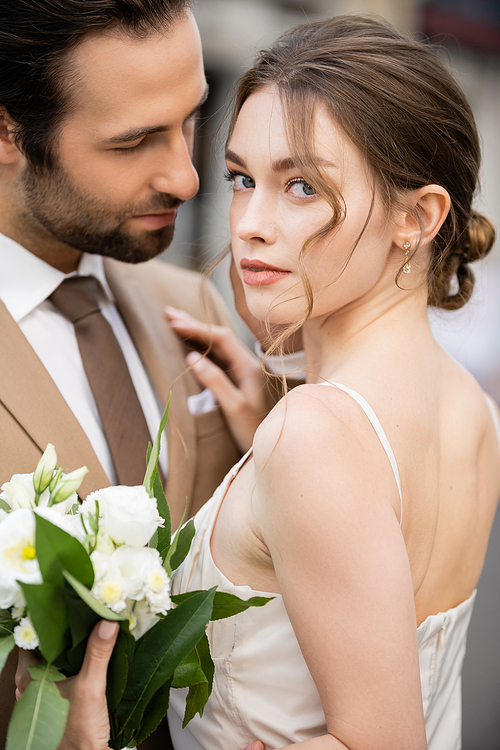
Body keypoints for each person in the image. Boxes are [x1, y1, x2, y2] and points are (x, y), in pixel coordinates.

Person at [16, 12, 500, 750]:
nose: (248, 223)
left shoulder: (315, 436)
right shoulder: (471, 409)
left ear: (419, 216)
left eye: (302, 186)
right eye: (242, 177)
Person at [0, 1, 270, 747]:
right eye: (135, 141)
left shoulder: (196, 309)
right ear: (6, 131)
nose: (187, 176)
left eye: (189, 120)